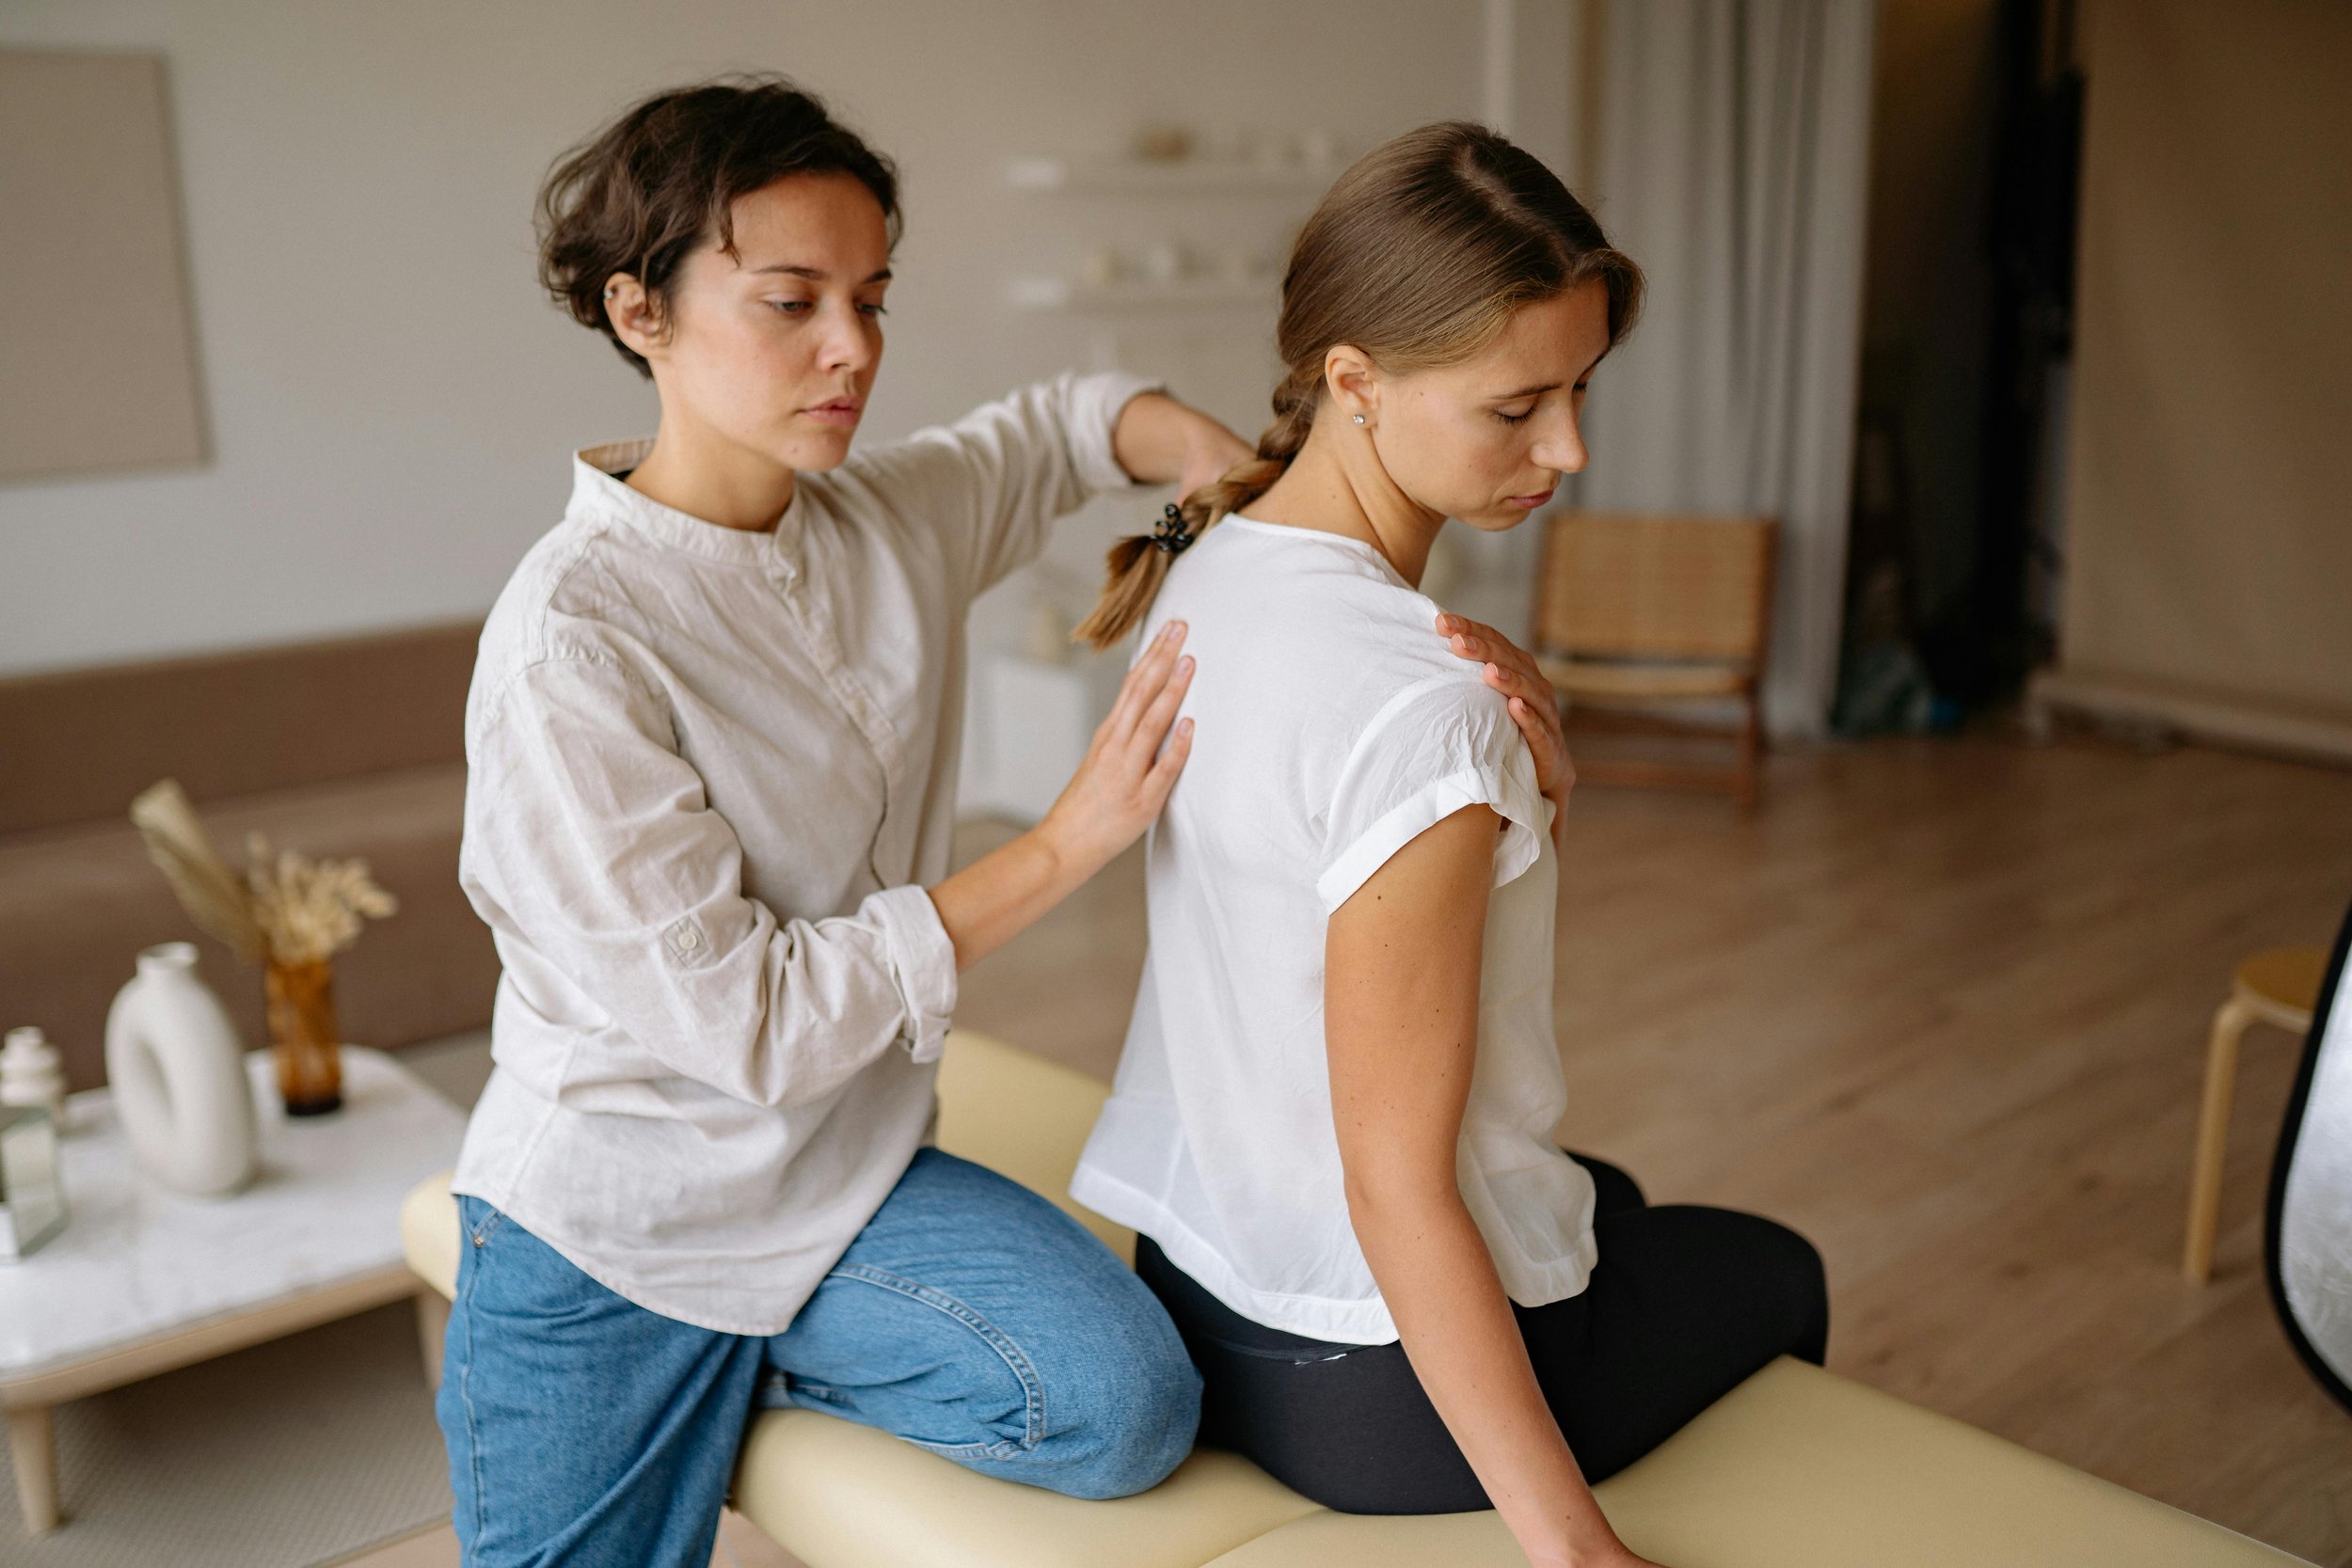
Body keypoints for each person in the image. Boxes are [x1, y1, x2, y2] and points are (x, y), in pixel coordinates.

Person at [439, 80, 1571, 1568]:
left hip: (847, 1185)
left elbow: (1068, 423)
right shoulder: (570, 647)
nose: (852, 350)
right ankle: (728, 1359)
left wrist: (1230, 483)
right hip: (622, 1230)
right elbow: (749, 1026)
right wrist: (1064, 842)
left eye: (872, 297)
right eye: (791, 303)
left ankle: (781, 1356)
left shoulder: (877, 520)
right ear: (639, 311)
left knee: (1123, 1408)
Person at [1069, 122, 1831, 1568]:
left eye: (1583, 390)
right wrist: (1579, 1550)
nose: (1572, 450)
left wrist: (1532, 802)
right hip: (1362, 1388)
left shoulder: (1216, 566)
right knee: (1774, 1271)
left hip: (1197, 1272)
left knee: (1610, 1203)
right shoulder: (1421, 705)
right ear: (1354, 380)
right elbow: (1394, 1183)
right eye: (1518, 407)